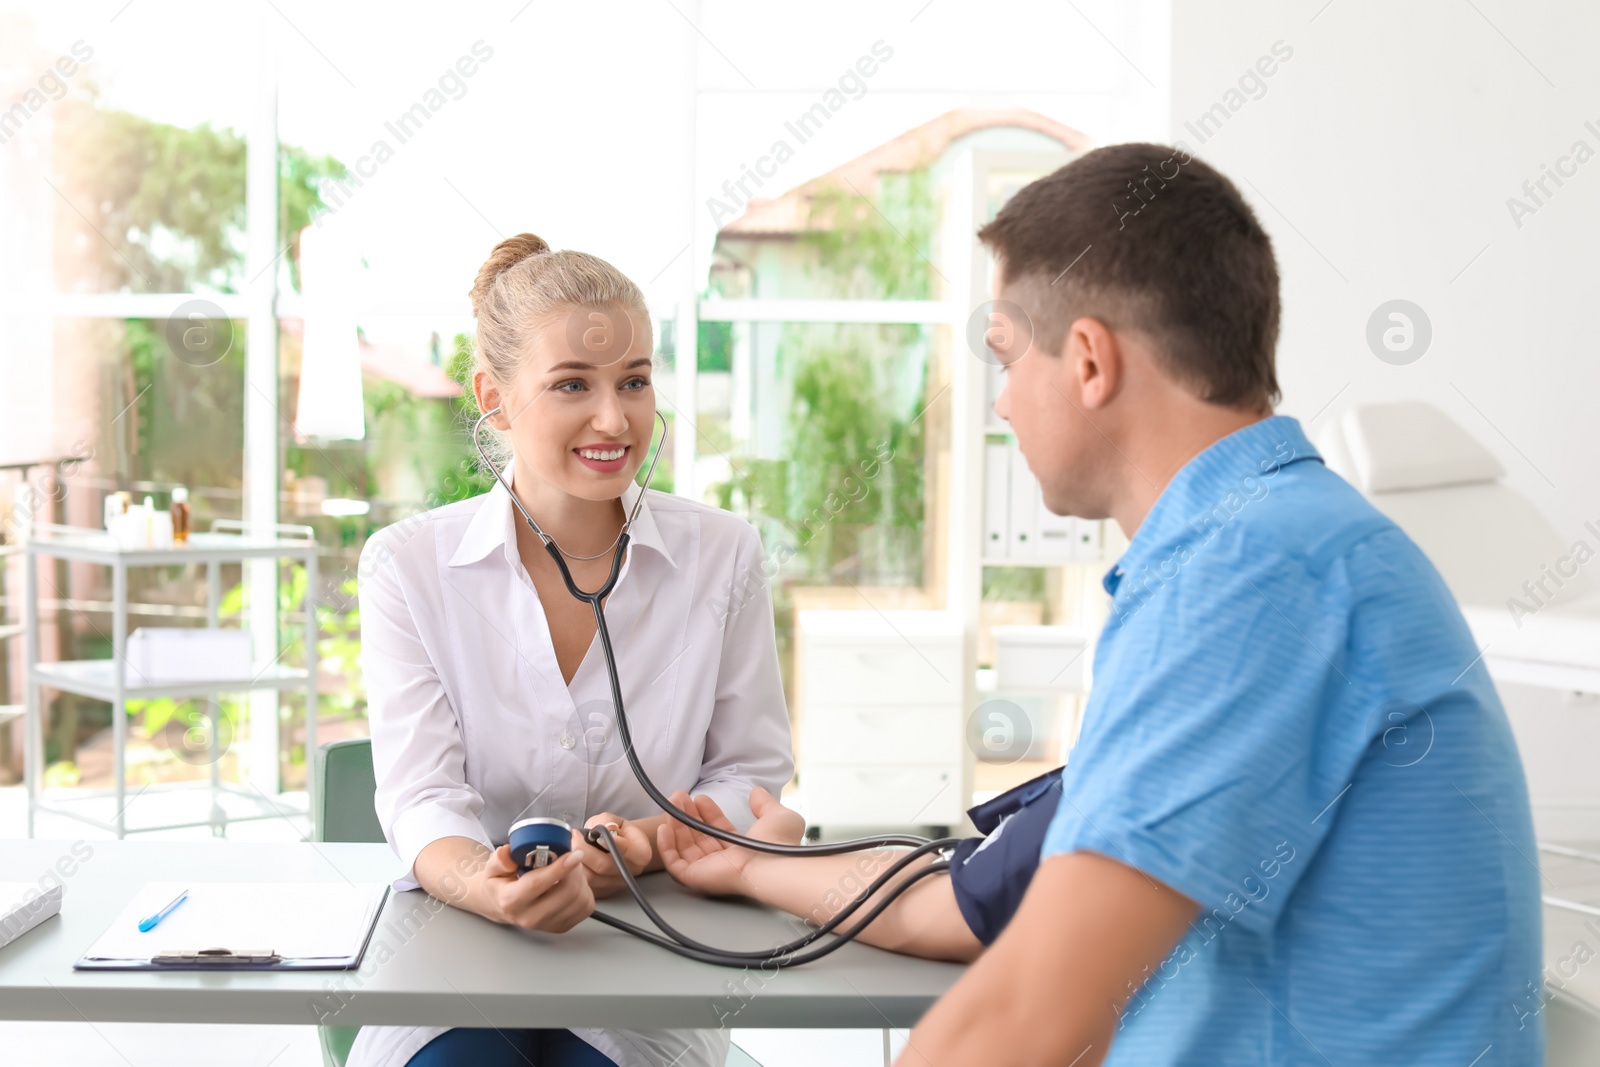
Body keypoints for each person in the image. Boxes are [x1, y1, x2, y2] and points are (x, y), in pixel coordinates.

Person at [667, 143, 1543, 1066]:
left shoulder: (1251, 571)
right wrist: (762, 866)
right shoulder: (1279, 542)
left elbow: (1028, 1018)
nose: (1001, 402)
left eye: (1005, 356)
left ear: (1088, 359)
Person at [348, 233, 795, 1067]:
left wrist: (646, 843)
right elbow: (421, 796)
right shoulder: (407, 565)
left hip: (649, 946)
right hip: (460, 944)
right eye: (571, 385)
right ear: (495, 397)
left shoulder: (722, 553)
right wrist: (484, 881)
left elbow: (749, 774)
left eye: (634, 380)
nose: (613, 418)